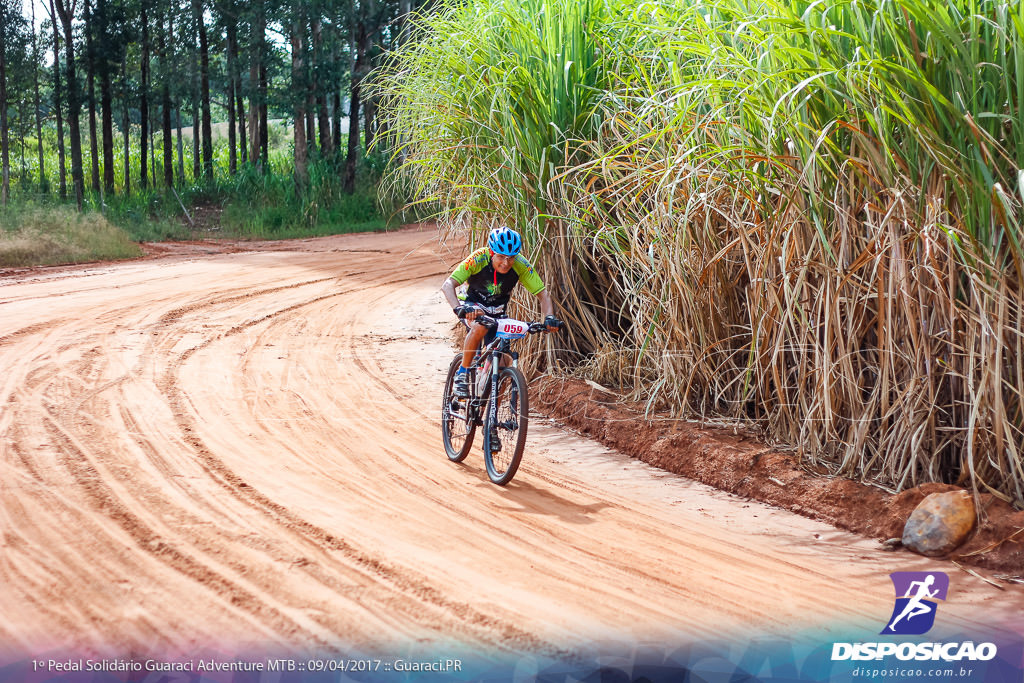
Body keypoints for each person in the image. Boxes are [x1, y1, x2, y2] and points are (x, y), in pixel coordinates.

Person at [441, 226, 561, 400]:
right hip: (474, 308)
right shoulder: (478, 258)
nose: (506, 263)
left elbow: (543, 295)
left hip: (498, 314)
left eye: (511, 258)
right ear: (491, 252)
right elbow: (448, 286)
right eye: (501, 257)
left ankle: (490, 418)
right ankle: (462, 374)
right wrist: (459, 308)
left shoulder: (520, 264)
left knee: (503, 361)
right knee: (480, 326)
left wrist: (549, 317)